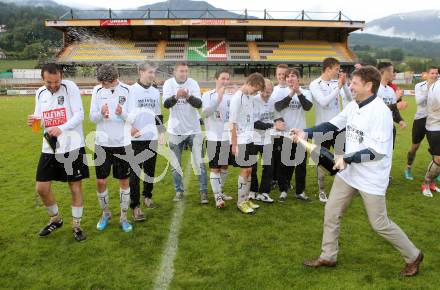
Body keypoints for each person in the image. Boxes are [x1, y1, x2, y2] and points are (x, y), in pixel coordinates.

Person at [291, 66, 423, 277]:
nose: (349, 86)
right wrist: (305, 132)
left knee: (380, 224)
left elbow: (376, 152)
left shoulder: (380, 112)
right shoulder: (354, 105)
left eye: (354, 83)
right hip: (349, 172)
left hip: (371, 176)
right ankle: (328, 255)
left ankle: (413, 255)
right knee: (332, 212)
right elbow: (332, 125)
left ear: (369, 86)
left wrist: (347, 158)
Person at [28, 63, 89, 241]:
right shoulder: (40, 92)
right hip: (49, 146)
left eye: (56, 81)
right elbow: (40, 117)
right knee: (41, 187)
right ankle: (55, 219)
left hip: (72, 145)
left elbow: (79, 115)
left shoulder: (70, 87)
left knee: (75, 187)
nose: (53, 85)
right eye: (49, 82)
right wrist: (34, 121)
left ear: (61, 76)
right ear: (42, 79)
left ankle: (76, 225)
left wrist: (61, 128)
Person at [90, 64, 133, 233]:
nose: (102, 85)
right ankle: (106, 213)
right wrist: (101, 113)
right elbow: (92, 117)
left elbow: (133, 117)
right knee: (101, 181)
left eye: (104, 83)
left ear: (113, 80)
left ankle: (123, 216)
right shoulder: (97, 90)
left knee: (124, 182)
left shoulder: (128, 90)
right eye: (100, 82)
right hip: (102, 144)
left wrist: (122, 113)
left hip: (123, 144)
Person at [163, 62, 208, 204]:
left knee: (200, 163)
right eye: (181, 71)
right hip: (175, 132)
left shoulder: (193, 83)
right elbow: (166, 104)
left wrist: (188, 97)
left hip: (194, 130)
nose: (184, 74)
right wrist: (176, 97)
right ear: (174, 72)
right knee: (175, 165)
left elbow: (199, 104)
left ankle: (203, 192)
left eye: (186, 71)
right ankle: (179, 191)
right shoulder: (168, 83)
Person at [309, 57, 352, 203]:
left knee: (342, 157)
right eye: (336, 69)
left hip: (338, 127)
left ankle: (343, 190)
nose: (338, 72)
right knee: (322, 160)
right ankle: (321, 191)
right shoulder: (315, 84)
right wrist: (338, 87)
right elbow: (324, 102)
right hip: (323, 127)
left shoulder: (337, 83)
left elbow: (350, 99)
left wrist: (344, 86)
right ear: (328, 69)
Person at [126, 61, 164, 221]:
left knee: (149, 171)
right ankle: (135, 207)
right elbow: (123, 114)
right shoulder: (130, 91)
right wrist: (129, 128)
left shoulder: (155, 92)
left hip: (151, 138)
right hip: (134, 140)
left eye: (154, 72)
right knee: (134, 174)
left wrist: (161, 132)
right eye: (150, 72)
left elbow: (158, 114)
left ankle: (147, 197)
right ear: (140, 72)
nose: (152, 75)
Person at [274, 68, 313, 202]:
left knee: (301, 164)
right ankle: (283, 190)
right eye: (288, 77)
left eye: (293, 76)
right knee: (284, 164)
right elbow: (279, 107)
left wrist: (299, 92)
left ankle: (300, 191)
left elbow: (307, 107)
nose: (290, 78)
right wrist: (291, 93)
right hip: (285, 134)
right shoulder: (281, 91)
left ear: (298, 78)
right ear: (285, 80)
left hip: (301, 134)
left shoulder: (306, 92)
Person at [230, 72, 265, 214]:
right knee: (245, 170)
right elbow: (231, 123)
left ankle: (246, 198)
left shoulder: (249, 96)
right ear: (251, 83)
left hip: (250, 139)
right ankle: (240, 202)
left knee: (250, 170)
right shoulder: (237, 98)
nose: (256, 92)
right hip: (241, 140)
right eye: (256, 89)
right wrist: (234, 144)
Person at [202, 69, 235, 208]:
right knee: (215, 168)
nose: (225, 81)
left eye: (227, 79)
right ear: (216, 79)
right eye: (223, 78)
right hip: (213, 137)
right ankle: (217, 198)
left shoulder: (232, 96)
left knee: (224, 166)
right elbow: (205, 113)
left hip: (227, 137)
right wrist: (218, 99)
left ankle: (220, 191)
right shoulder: (207, 95)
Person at [404, 67, 439, 180]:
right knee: (415, 146)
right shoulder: (419, 86)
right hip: (421, 119)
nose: (434, 76)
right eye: (432, 73)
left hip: (434, 121)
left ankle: (436, 172)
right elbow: (419, 101)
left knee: (436, 150)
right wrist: (430, 88)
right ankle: (408, 168)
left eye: (436, 73)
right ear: (427, 74)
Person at [250, 78, 279, 203]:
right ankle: (252, 191)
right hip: (253, 138)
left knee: (269, 167)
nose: (266, 94)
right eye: (264, 91)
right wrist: (273, 126)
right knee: (252, 167)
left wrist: (280, 122)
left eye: (269, 92)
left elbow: (277, 117)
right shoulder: (253, 101)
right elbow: (255, 123)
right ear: (260, 90)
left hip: (267, 139)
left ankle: (264, 193)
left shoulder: (273, 101)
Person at [377, 62, 408, 150]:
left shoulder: (390, 90)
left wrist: (400, 120)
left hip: (390, 128)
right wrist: (395, 105)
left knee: (388, 155)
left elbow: (394, 111)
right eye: (392, 71)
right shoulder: (374, 88)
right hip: (377, 129)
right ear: (385, 72)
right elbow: (375, 110)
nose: (394, 74)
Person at [271, 64, 289, 189]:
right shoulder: (273, 90)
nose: (281, 77)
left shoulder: (292, 89)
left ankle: (285, 181)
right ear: (276, 75)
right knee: (275, 157)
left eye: (284, 74)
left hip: (290, 130)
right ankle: (273, 180)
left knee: (287, 158)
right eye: (279, 74)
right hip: (275, 130)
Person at [421, 73, 440, 197]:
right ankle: (425, 184)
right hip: (435, 126)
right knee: (438, 158)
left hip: (436, 126)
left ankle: (432, 183)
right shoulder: (438, 86)